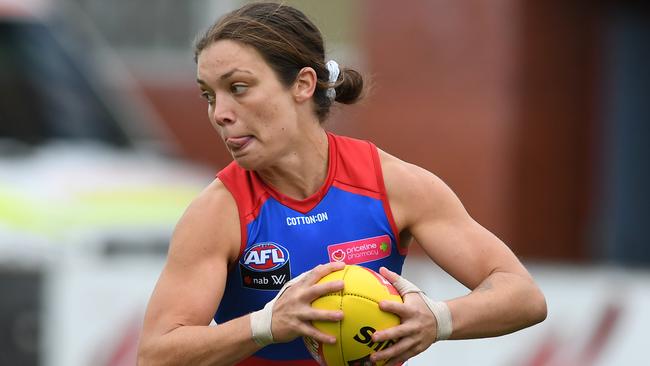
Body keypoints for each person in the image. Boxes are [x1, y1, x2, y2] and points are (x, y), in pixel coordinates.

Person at [137, 2, 547, 366]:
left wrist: (438, 319)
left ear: (302, 84)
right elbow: (156, 353)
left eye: (238, 88)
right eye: (209, 95)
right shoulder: (218, 212)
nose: (220, 113)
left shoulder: (391, 184)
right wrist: (266, 325)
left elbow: (522, 296)